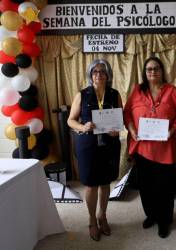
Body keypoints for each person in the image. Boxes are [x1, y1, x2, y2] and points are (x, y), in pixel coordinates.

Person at [124, 57, 176, 238]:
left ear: (162, 71)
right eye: (149, 69)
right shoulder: (137, 91)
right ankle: (151, 215)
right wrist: (131, 129)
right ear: (145, 73)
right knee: (146, 187)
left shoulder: (172, 91)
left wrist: (174, 129)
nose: (153, 72)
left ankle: (165, 220)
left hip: (166, 149)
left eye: (156, 69)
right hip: (143, 149)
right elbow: (127, 112)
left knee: (165, 188)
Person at [67, 59, 122, 241]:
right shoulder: (82, 94)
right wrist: (83, 127)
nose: (98, 74)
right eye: (95, 71)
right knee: (91, 185)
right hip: (88, 145)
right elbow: (70, 120)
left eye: (102, 71)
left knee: (106, 183)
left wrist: (116, 130)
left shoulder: (115, 94)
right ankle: (92, 220)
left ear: (108, 75)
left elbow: (118, 121)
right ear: (91, 75)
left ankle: (102, 215)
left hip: (109, 144)